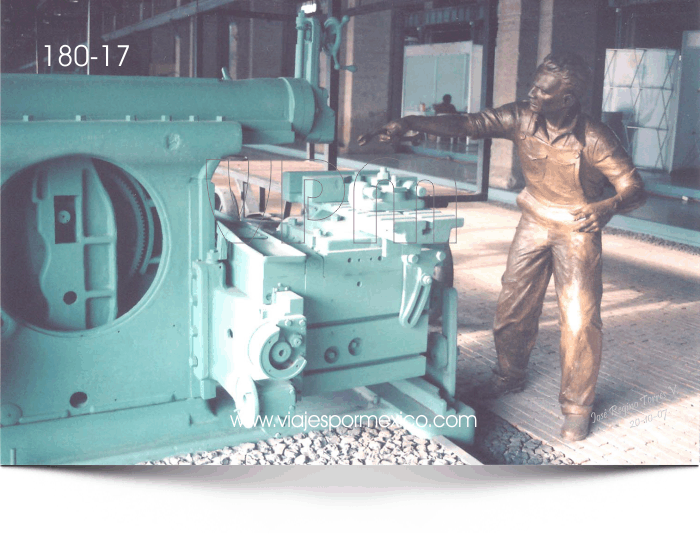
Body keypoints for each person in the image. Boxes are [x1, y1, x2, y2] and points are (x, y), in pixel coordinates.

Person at [357, 52, 646, 441]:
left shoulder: (594, 138)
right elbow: (471, 122)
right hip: (534, 219)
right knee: (513, 302)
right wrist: (410, 122)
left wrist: (609, 206)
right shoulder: (522, 117)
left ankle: (577, 407)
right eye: (534, 83)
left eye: (543, 90)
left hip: (577, 227)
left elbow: (634, 187)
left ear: (568, 99)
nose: (532, 92)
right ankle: (509, 375)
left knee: (579, 319)